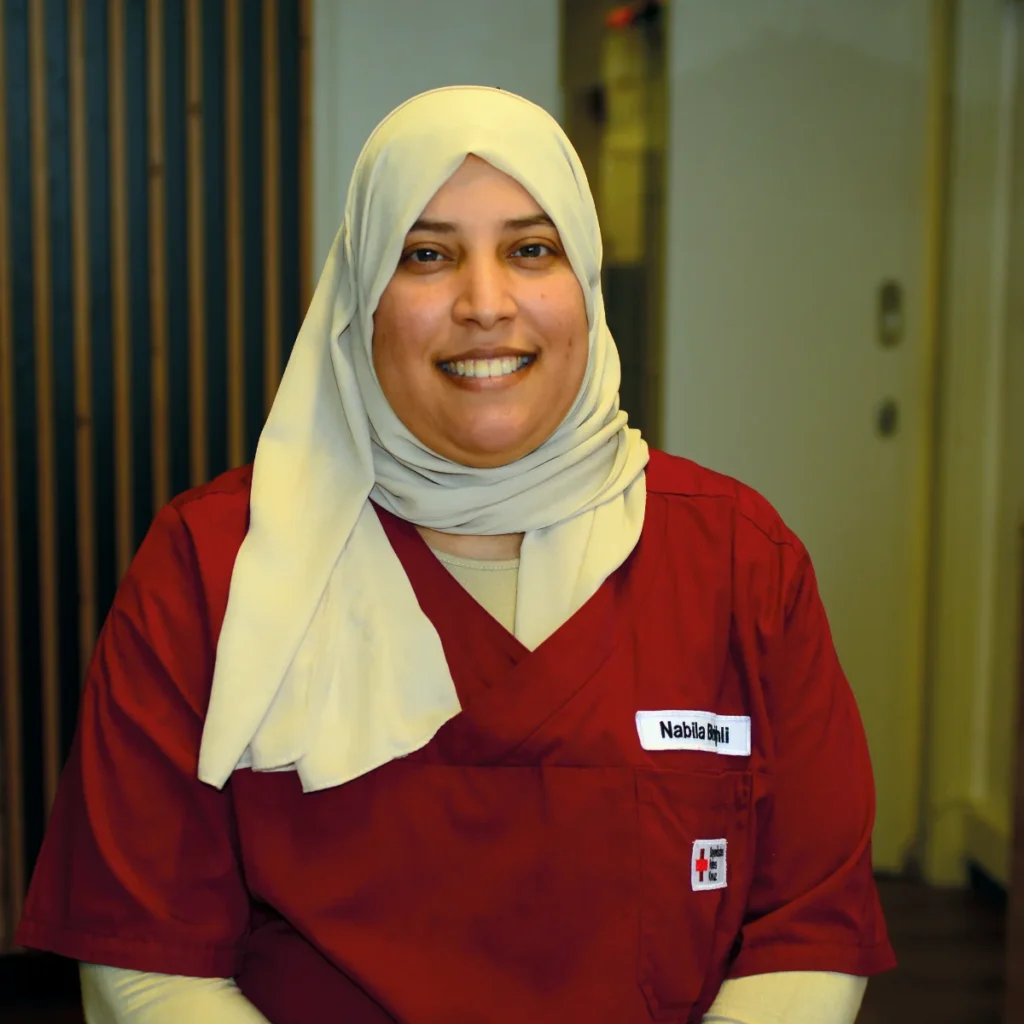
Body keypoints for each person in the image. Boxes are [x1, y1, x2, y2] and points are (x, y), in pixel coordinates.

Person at [16, 86, 895, 1023]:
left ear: (586, 284)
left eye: (531, 250)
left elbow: (806, 933)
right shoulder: (212, 566)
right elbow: (148, 966)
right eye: (427, 255)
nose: (485, 304)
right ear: (360, 300)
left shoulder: (737, 560)